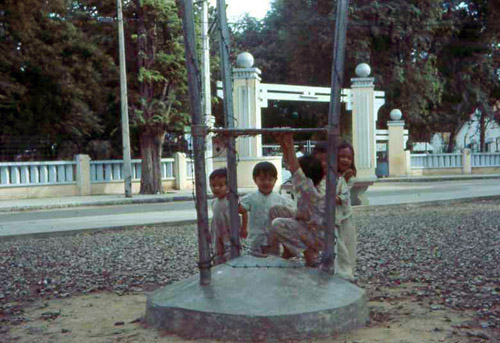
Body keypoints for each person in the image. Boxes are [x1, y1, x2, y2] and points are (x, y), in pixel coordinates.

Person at [268, 133, 326, 266]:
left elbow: (293, 166)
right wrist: (282, 142)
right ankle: (289, 249)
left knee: (278, 223)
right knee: (276, 210)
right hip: (307, 220)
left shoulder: (308, 188)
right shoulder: (317, 182)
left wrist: (289, 140)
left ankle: (308, 253)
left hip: (315, 235)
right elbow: (291, 164)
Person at [240, 162, 294, 256]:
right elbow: (241, 209)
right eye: (262, 179)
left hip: (273, 241)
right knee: (255, 265)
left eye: (270, 179)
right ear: (255, 180)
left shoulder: (281, 200)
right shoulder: (251, 197)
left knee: (273, 264)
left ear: (276, 180)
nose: (266, 182)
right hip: (255, 241)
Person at [209, 168, 248, 265]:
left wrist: (244, 228)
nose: (216, 188)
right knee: (217, 253)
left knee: (231, 252)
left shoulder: (231, 200)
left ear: (228, 186)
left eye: (221, 185)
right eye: (213, 186)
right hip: (218, 232)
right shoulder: (214, 202)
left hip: (230, 232)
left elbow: (244, 212)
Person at [335, 142, 357, 281]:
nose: (345, 160)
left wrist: (345, 178)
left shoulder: (350, 176)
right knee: (338, 247)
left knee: (349, 246)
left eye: (348, 157)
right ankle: (340, 275)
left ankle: (349, 274)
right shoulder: (331, 176)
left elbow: (344, 196)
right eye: (342, 156)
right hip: (334, 217)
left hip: (346, 215)